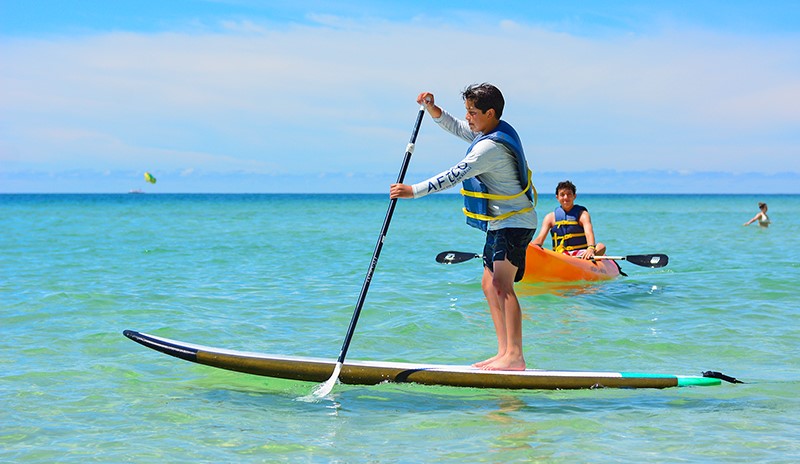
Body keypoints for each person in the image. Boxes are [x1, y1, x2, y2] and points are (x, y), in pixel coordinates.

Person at [390, 83, 537, 371]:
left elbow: (454, 175)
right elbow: (458, 128)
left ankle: (515, 356)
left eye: (472, 112)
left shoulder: (489, 148)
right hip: (499, 222)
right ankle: (503, 352)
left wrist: (413, 191)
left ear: (490, 113)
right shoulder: (490, 132)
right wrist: (433, 109)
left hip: (515, 223)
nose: (467, 117)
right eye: (467, 111)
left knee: (503, 285)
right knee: (488, 284)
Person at [531, 180, 606, 260]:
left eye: (569, 194)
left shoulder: (583, 215)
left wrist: (590, 248)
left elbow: (589, 233)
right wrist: (528, 247)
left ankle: (590, 262)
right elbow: (540, 239)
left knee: (601, 246)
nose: (566, 197)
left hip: (581, 254)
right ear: (557, 197)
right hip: (560, 255)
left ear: (574, 196)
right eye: (562, 195)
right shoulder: (550, 217)